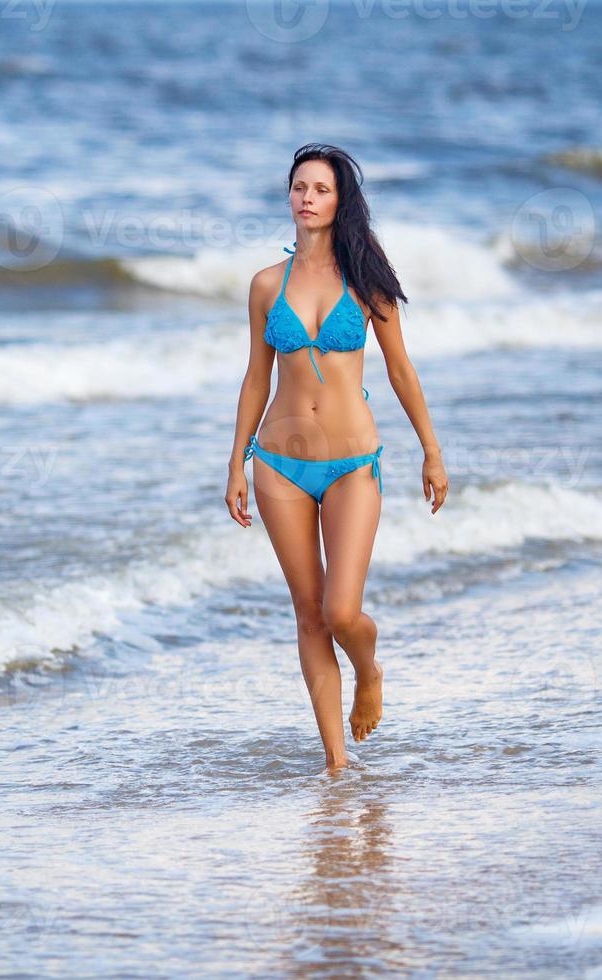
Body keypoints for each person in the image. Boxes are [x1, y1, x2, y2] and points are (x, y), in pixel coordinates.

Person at [225, 143, 448, 771]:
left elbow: (401, 371)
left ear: (340, 200)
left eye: (320, 189)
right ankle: (336, 763)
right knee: (307, 613)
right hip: (278, 465)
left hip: (353, 464)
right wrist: (236, 463)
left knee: (341, 611)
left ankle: (368, 670)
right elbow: (255, 378)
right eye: (299, 187)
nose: (306, 198)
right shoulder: (267, 285)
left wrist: (431, 451)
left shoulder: (368, 281)